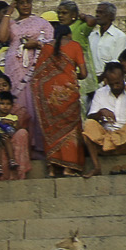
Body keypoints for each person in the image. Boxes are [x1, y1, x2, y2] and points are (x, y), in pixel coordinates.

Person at [29, 22, 89, 179]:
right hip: (68, 94)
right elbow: (84, 73)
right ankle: (68, 168)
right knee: (71, 130)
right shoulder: (75, 46)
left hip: (49, 97)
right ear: (69, 35)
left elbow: (37, 77)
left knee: (51, 129)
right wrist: (73, 74)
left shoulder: (46, 48)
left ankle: (51, 168)